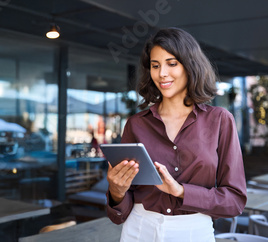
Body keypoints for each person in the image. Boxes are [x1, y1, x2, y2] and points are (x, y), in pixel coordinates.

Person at [105, 27, 247, 242]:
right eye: (155, 65)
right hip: (139, 229)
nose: (162, 73)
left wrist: (181, 191)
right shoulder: (136, 124)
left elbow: (234, 201)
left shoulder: (219, 120)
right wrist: (117, 190)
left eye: (172, 63)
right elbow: (119, 213)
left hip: (193, 231)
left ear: (190, 66)